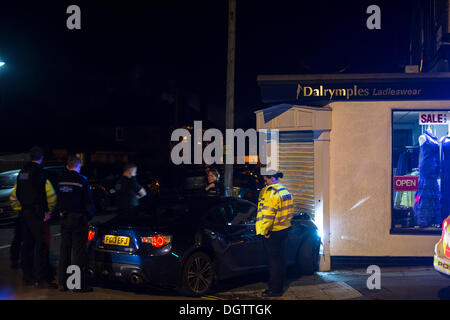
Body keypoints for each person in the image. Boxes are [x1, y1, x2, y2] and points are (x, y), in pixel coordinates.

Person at [15, 146, 58, 289]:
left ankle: (27, 277)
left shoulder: (22, 171)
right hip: (36, 212)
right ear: (42, 158)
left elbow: (19, 193)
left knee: (27, 245)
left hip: (24, 212)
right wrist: (45, 211)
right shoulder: (39, 172)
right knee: (41, 245)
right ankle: (40, 279)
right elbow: (41, 194)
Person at [56, 155, 95, 292]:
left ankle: (62, 283)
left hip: (64, 219)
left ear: (68, 166)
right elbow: (89, 202)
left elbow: (57, 199)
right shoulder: (82, 180)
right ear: (79, 166)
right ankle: (76, 285)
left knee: (64, 251)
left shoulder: (60, 180)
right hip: (78, 220)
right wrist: (88, 217)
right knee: (78, 253)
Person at [256, 171, 294, 297]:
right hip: (284, 229)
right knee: (280, 260)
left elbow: (268, 214)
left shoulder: (271, 193)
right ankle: (280, 285)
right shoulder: (285, 191)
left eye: (266, 179)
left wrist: (265, 231)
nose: (264, 182)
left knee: (273, 263)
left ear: (272, 178)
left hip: (273, 231)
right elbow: (290, 212)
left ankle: (274, 289)